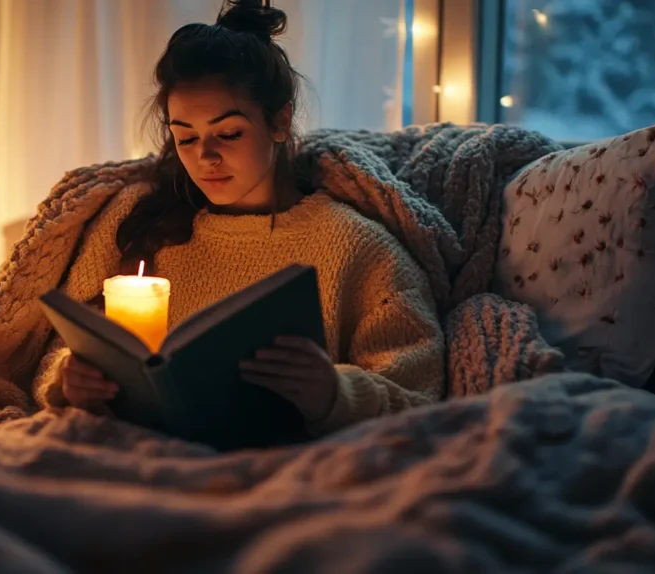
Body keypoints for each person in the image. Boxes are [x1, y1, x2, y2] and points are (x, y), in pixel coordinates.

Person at [33, 0, 445, 437]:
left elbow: (421, 400)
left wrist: (334, 392)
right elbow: (54, 355)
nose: (205, 157)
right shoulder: (138, 223)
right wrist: (69, 382)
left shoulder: (359, 248)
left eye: (228, 133)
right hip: (136, 462)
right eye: (185, 138)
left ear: (280, 121)